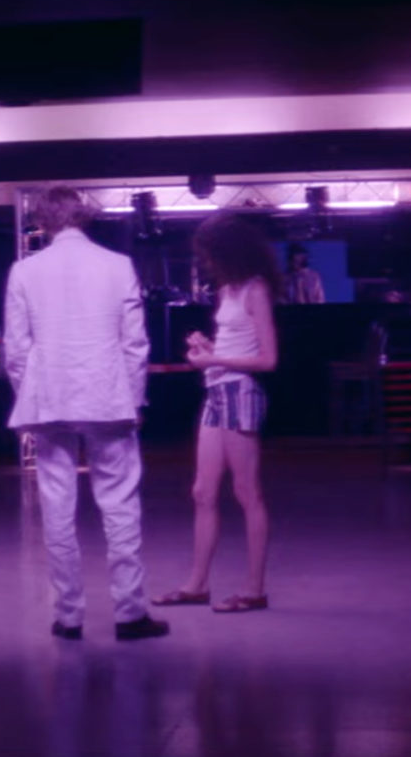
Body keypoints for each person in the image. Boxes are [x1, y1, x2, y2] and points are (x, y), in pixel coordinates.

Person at [3, 187, 169, 642]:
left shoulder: (25, 271)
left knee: (56, 505)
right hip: (107, 397)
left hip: (49, 398)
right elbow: (134, 344)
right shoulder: (118, 265)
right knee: (120, 505)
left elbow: (16, 348)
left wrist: (29, 394)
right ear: (85, 216)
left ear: (42, 221)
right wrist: (134, 399)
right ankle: (130, 613)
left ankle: (69, 616)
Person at [154, 212, 280, 614]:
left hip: (239, 391)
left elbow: (267, 359)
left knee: (247, 492)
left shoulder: (255, 290)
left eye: (210, 254)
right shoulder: (228, 290)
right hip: (216, 391)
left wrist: (213, 359)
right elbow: (235, 347)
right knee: (203, 491)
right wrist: (208, 350)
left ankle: (255, 589)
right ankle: (197, 585)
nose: (206, 262)